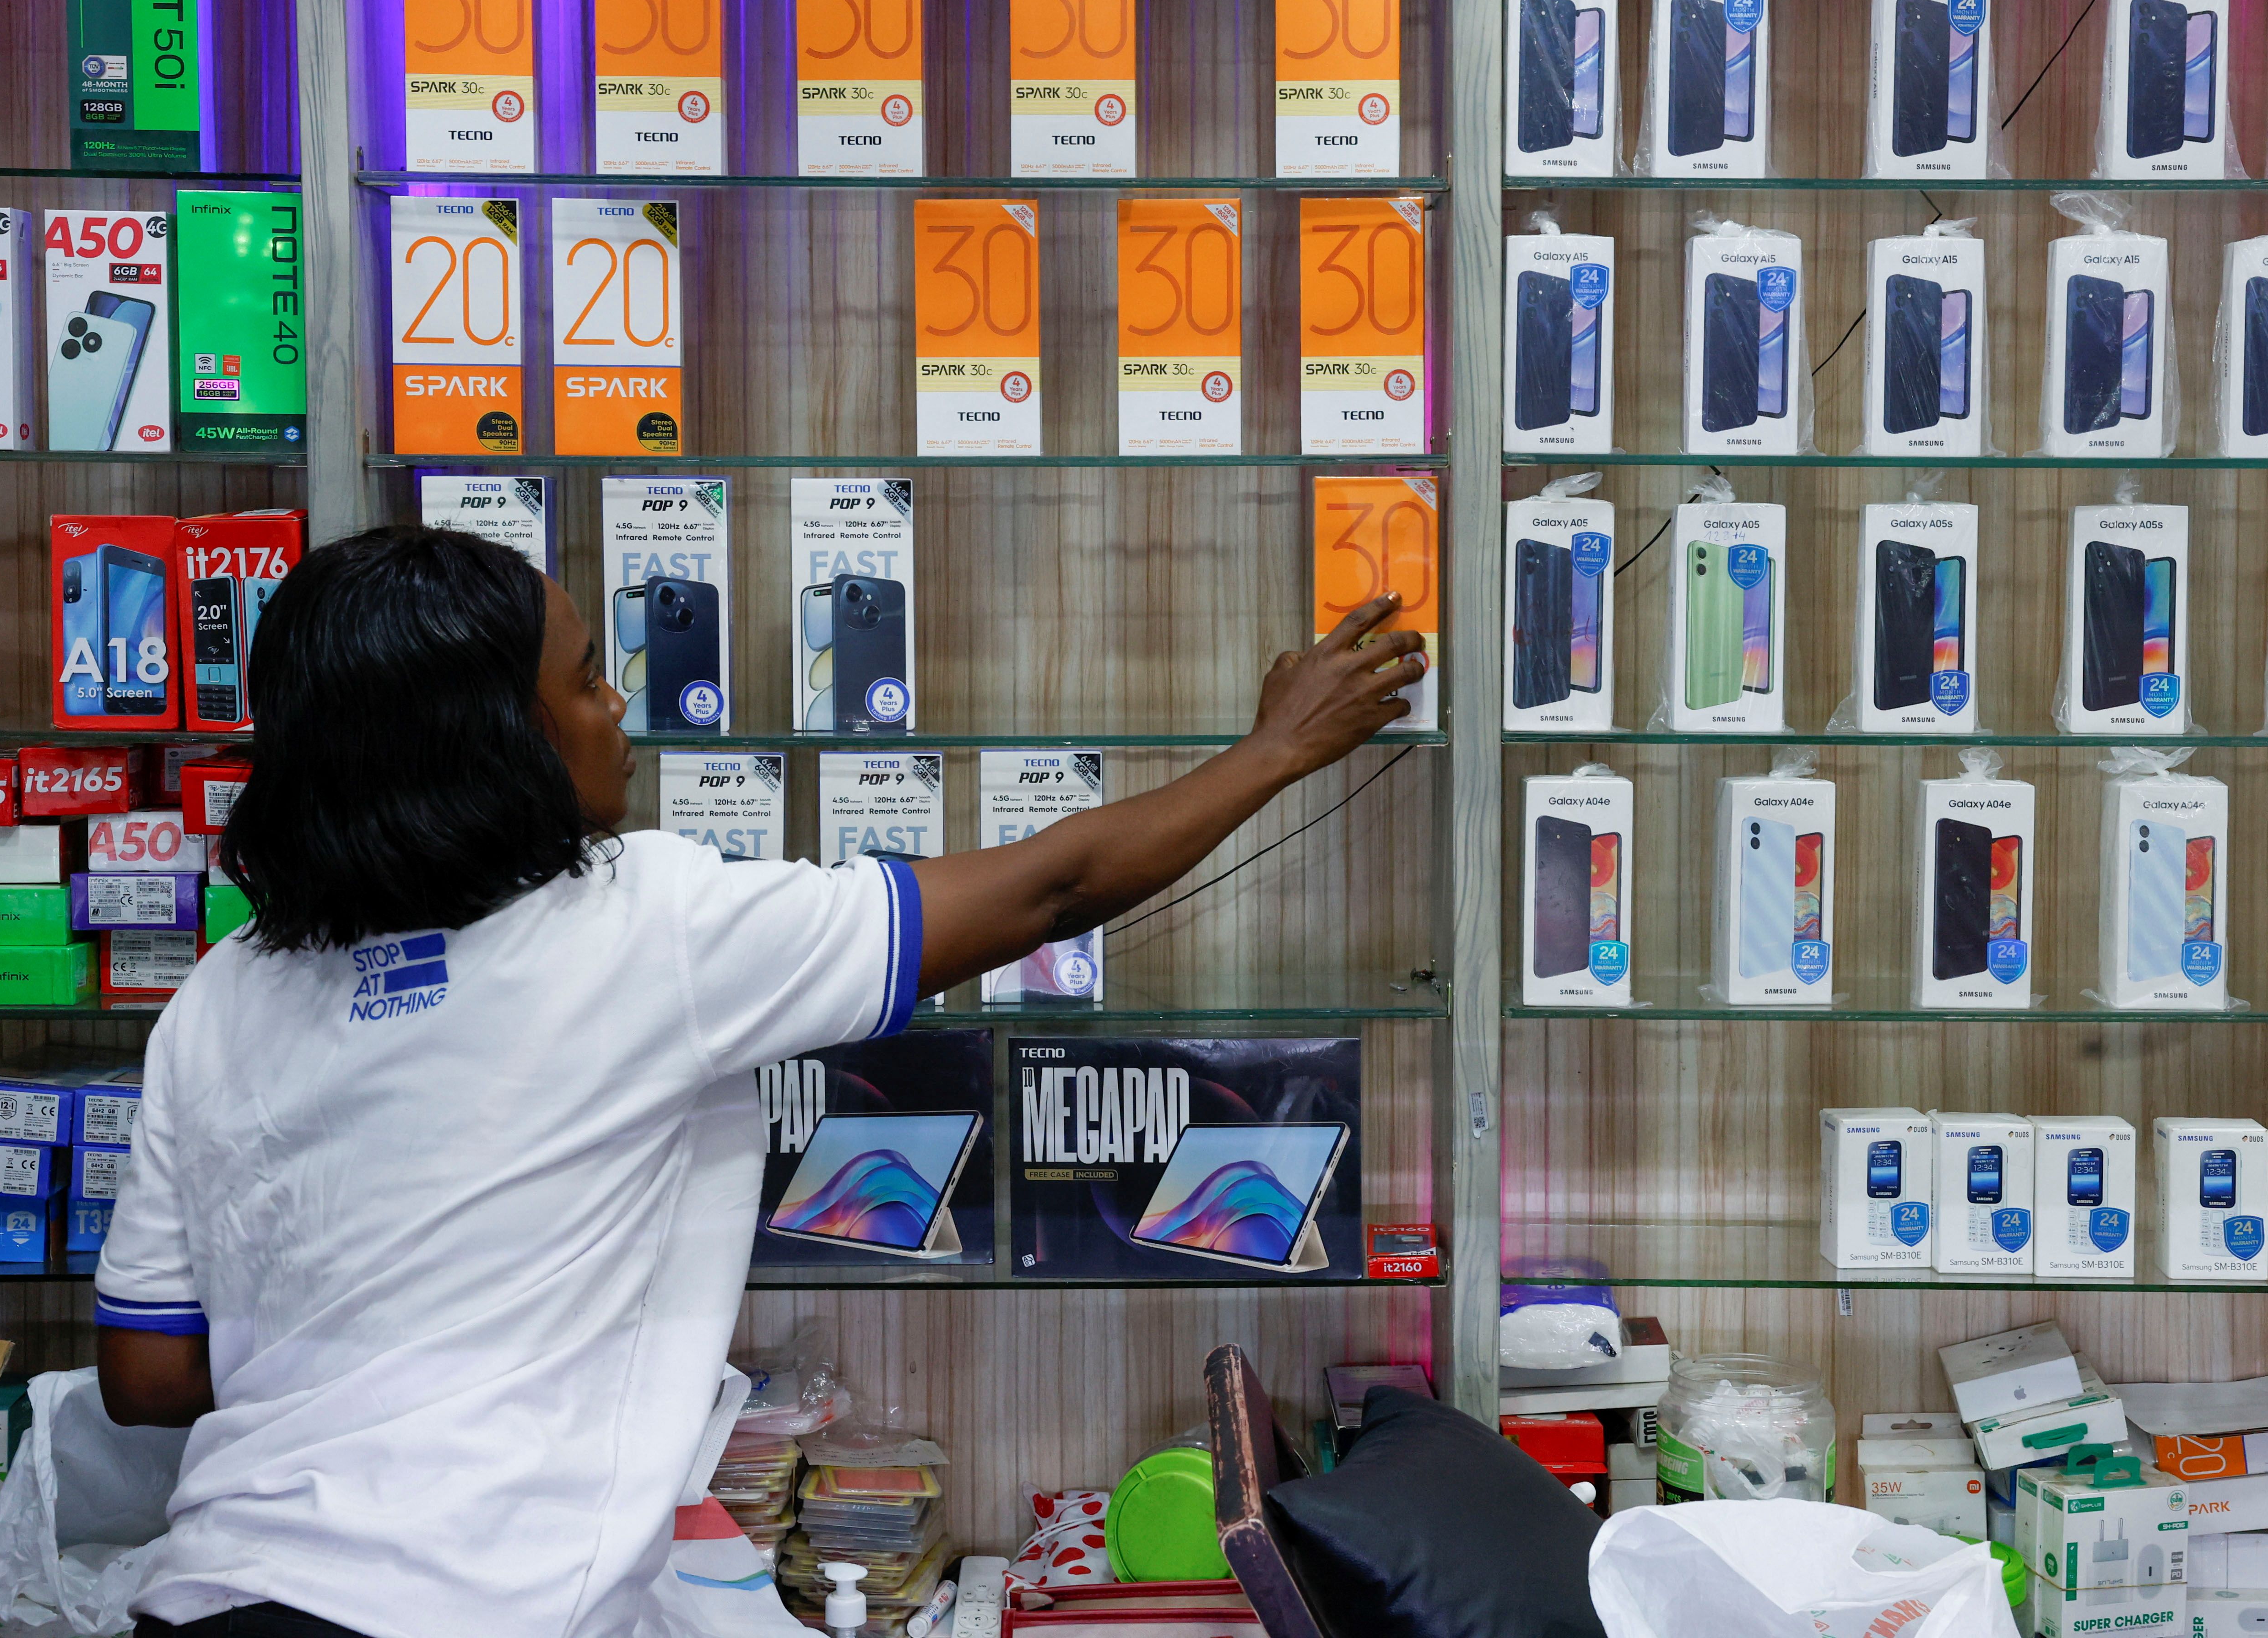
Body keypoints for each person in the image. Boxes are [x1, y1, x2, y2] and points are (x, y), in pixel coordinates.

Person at [93, 524, 1426, 1638]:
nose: (618, 701)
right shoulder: (637, 928)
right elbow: (1052, 887)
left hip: (209, 1594)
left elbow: (148, 1377)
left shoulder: (220, 997)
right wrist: (1278, 750)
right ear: (497, 738)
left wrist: (387, 1336)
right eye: (580, 680)